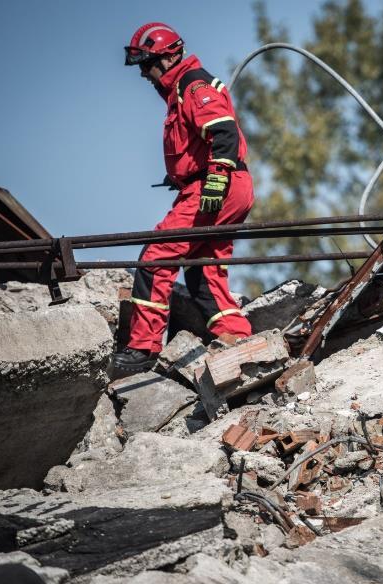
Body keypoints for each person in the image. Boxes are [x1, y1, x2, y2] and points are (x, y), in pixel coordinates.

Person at [109, 22, 253, 377]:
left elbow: (223, 132)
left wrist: (215, 181)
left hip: (217, 185)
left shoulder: (193, 85)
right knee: (204, 267)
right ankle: (237, 337)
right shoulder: (179, 91)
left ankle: (142, 347)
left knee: (156, 255)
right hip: (220, 184)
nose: (143, 73)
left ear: (170, 56)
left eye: (147, 63)